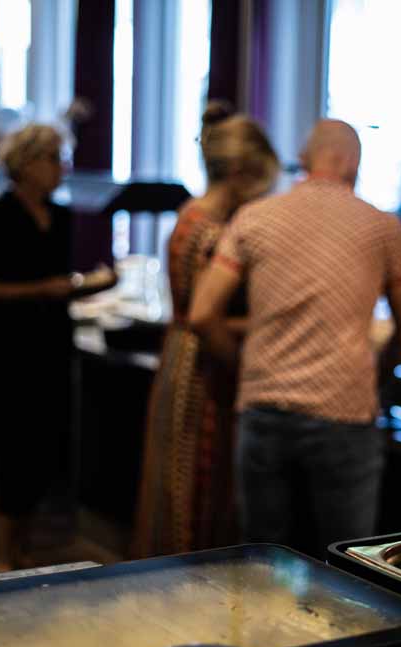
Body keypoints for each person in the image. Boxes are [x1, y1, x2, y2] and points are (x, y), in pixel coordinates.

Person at [190, 119, 401, 556]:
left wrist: (247, 368)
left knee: (261, 566)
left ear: (304, 160)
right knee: (349, 568)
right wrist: (378, 376)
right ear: (352, 162)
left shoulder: (253, 217)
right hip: (344, 413)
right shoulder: (382, 227)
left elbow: (202, 314)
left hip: (264, 409)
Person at [131, 103, 279, 558]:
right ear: (238, 173)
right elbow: (204, 314)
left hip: (178, 357)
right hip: (206, 369)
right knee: (199, 490)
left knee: (173, 487)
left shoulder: (187, 215)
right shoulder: (216, 233)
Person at [0, 124, 114, 572]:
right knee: (15, 447)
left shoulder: (62, 215)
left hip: (53, 344)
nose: (61, 169)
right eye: (53, 159)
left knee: (46, 444)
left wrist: (88, 286)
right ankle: (3, 553)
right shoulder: (0, 214)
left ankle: (23, 547)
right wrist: (43, 289)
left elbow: (62, 285)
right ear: (27, 164)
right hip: (11, 347)